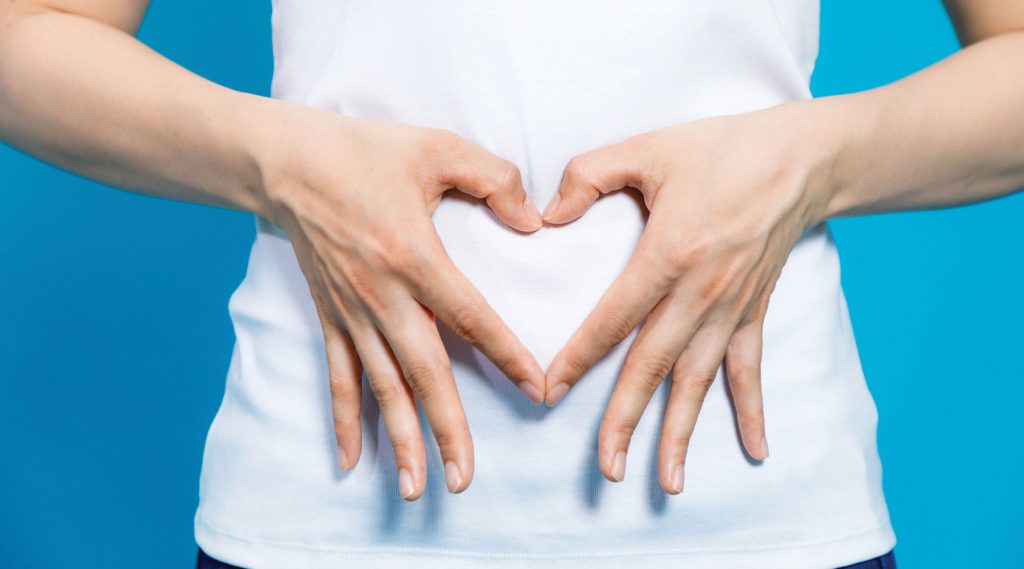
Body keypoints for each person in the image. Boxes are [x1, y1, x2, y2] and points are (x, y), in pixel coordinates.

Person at [1, 0, 1022, 567]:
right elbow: (25, 33)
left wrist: (819, 157)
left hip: (759, 520)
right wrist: (280, 159)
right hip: (330, 519)